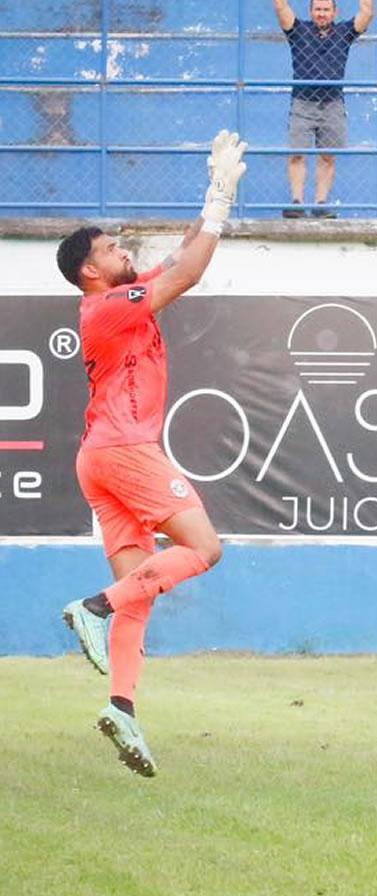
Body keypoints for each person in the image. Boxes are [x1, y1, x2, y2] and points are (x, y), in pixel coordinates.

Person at [57, 130, 248, 777]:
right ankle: (93, 606)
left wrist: (213, 189)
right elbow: (189, 273)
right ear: (90, 270)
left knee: (139, 592)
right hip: (125, 449)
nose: (123, 251)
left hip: (99, 460)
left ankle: (122, 708)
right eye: (111, 249)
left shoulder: (120, 295)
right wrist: (222, 202)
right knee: (206, 549)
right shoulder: (105, 307)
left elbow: (179, 258)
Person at [273, 0, 374, 218]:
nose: (322, 14)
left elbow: (366, 14)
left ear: (334, 12)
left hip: (333, 104)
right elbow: (281, 8)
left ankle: (320, 204)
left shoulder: (344, 32)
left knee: (328, 156)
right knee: (296, 154)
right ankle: (297, 203)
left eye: (326, 9)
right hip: (302, 103)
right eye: (318, 9)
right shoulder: (298, 31)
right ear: (311, 11)